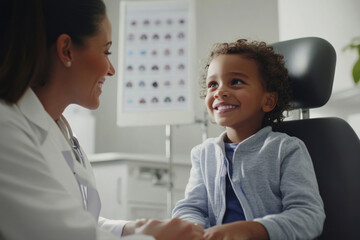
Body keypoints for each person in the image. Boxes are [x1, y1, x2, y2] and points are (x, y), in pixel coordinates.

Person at [0, 0, 204, 240]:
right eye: (106, 51)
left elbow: (73, 219)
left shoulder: (57, 128)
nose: (111, 70)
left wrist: (131, 229)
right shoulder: (7, 129)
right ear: (66, 50)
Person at [172, 39, 325, 240]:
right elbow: (190, 207)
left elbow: (308, 216)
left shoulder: (285, 149)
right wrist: (195, 230)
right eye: (213, 84)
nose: (220, 92)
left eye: (236, 82)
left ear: (268, 101)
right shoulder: (203, 154)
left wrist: (253, 230)